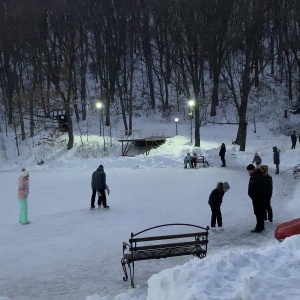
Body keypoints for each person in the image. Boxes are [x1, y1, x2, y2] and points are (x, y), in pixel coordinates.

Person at [246, 164, 265, 233]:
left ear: (251, 170)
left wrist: (254, 196)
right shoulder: (257, 175)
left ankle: (259, 227)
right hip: (257, 197)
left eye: (248, 171)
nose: (248, 172)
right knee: (259, 212)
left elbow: (257, 188)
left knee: (258, 212)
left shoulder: (256, 176)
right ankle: (261, 226)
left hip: (257, 198)